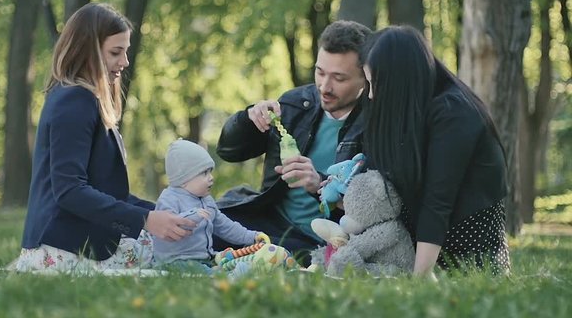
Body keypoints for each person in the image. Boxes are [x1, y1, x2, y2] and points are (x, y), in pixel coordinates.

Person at [15, 3, 196, 272]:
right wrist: (146, 220)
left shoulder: (78, 98)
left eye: (125, 51)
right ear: (87, 50)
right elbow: (70, 191)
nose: (125, 62)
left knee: (186, 240)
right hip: (65, 248)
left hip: (69, 242)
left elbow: (111, 194)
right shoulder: (74, 101)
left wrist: (164, 211)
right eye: (115, 52)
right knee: (182, 254)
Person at [214, 21, 372, 262]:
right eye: (320, 72)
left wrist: (318, 184)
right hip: (272, 223)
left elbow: (378, 205)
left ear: (365, 76)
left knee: (273, 258)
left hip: (330, 242)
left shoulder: (377, 125)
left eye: (339, 78)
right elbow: (228, 151)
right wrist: (249, 119)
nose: (325, 86)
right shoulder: (296, 104)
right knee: (201, 226)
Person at [361, 26, 510, 275]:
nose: (373, 95)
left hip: (465, 253)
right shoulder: (411, 111)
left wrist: (419, 279)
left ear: (402, 80)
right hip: (415, 244)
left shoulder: (455, 113)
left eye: (376, 83)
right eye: (368, 83)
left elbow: (438, 201)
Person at [152, 139, 268, 269]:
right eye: (204, 173)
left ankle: (234, 269)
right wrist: (193, 215)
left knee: (225, 259)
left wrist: (251, 236)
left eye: (210, 171)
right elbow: (169, 226)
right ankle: (226, 276)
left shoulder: (206, 200)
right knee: (205, 274)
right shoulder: (169, 199)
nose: (211, 177)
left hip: (204, 258)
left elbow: (226, 226)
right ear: (183, 179)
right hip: (176, 260)